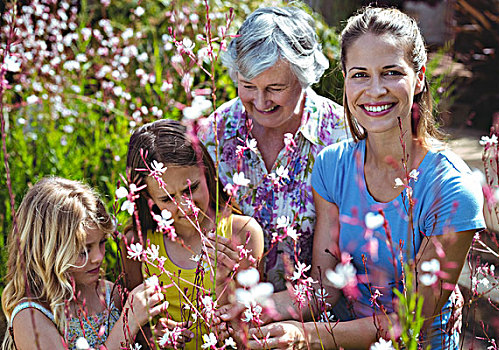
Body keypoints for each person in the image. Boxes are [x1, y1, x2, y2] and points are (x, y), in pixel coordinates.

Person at [246, 7, 485, 349]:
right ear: (344, 79)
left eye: (390, 72)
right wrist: (249, 311)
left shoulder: (451, 189)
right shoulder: (333, 166)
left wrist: (308, 336)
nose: (375, 90)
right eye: (360, 74)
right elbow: (325, 287)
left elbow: (412, 320)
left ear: (418, 79)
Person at [199, 6, 348, 292]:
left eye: (275, 88)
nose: (260, 101)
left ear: (303, 79)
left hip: (321, 317)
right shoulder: (213, 134)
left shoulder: (341, 136)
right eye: (248, 86)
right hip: (230, 312)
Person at [123, 119, 264, 349]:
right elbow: (134, 325)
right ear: (148, 200)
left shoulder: (243, 232)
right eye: (167, 199)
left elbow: (250, 327)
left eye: (192, 188)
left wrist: (223, 283)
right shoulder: (137, 243)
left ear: (207, 173)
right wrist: (153, 336)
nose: (186, 206)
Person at [1, 177, 166, 349]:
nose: (98, 257)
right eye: (84, 251)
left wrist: (152, 338)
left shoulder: (109, 294)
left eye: (102, 242)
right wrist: (128, 322)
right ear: (47, 253)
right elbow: (121, 334)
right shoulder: (30, 317)